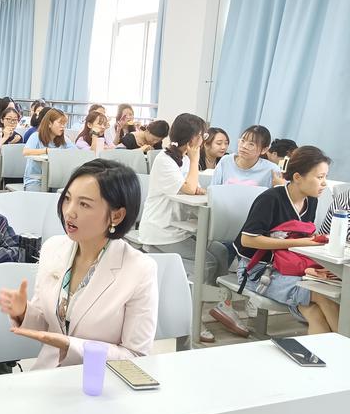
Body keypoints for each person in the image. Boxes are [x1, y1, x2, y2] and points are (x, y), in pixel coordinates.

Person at [0, 160, 158, 367]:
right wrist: (23, 312)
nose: (69, 212)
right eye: (67, 199)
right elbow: (46, 324)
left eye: (84, 204)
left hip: (102, 379)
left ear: (116, 216)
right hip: (49, 375)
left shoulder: (140, 270)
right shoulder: (53, 248)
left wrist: (71, 345)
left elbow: (135, 355)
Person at [137, 113, 226, 343]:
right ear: (192, 137)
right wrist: (196, 161)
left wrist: (195, 182)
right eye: (202, 135)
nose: (203, 140)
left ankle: (214, 304)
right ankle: (192, 317)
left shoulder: (183, 159)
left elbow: (193, 187)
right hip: (161, 230)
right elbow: (188, 188)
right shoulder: (164, 161)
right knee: (207, 263)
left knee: (221, 252)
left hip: (178, 228)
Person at [234, 146, 338, 334]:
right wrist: (300, 243)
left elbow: (301, 239)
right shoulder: (270, 199)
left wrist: (311, 265)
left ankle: (328, 351)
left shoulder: (311, 200)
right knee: (324, 297)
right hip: (256, 270)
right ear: (297, 177)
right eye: (319, 177)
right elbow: (248, 240)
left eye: (325, 177)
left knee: (315, 312)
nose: (324, 183)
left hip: (289, 267)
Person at [211, 125, 284, 188]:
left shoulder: (272, 170)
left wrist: (281, 185)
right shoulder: (226, 161)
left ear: (264, 150)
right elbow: (213, 189)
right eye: (242, 141)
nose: (244, 146)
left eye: (251, 144)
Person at [22, 108, 75, 192]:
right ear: (49, 124)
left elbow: (75, 152)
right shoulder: (36, 136)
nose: (63, 126)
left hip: (56, 179)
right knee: (39, 199)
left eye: (64, 124)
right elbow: (26, 152)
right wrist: (46, 151)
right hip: (35, 179)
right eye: (60, 123)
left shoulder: (64, 139)